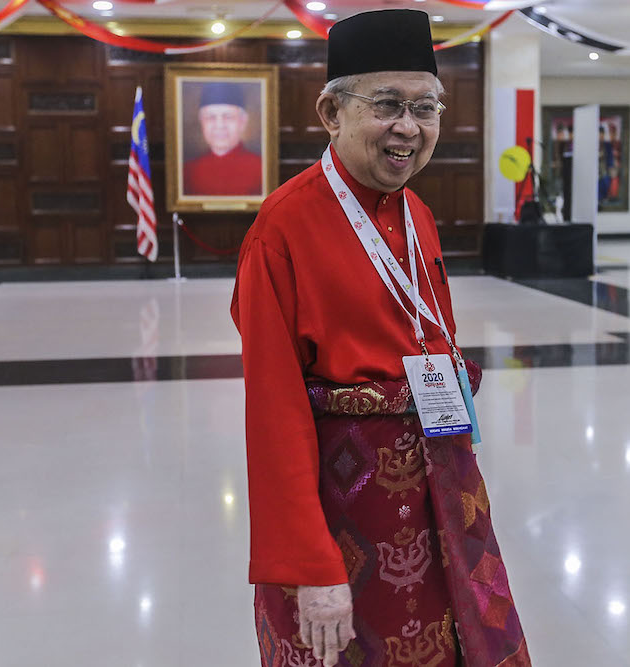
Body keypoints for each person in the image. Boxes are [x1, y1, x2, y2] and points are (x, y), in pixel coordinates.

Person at [231, 9, 530, 667]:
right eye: (388, 105)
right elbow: (274, 417)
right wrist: (311, 565)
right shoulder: (280, 231)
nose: (409, 128)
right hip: (343, 512)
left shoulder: (417, 212)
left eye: (426, 108)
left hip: (440, 491)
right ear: (330, 112)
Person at [183, 82, 263, 196]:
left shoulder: (262, 169)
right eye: (211, 117)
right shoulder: (187, 171)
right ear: (201, 122)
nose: (219, 125)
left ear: (243, 122)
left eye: (228, 117)